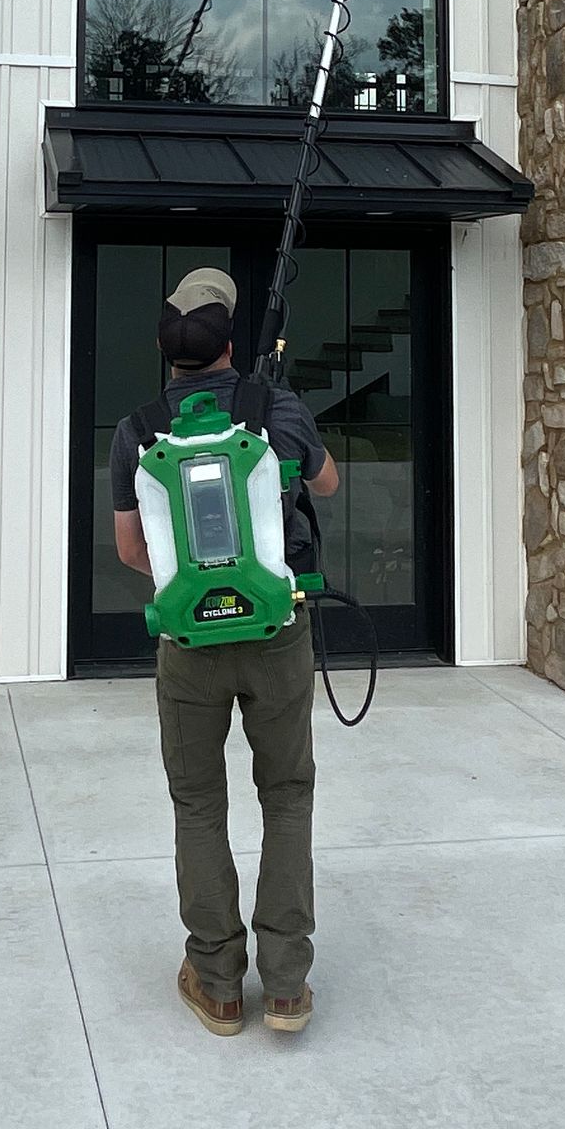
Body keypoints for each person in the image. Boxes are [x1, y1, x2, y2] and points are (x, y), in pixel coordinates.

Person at [108, 267, 339, 1040]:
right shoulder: (275, 410)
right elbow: (329, 484)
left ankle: (216, 981)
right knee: (288, 795)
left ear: (168, 352)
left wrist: (197, 583)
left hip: (190, 647)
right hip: (276, 634)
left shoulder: (138, 431)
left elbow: (133, 550)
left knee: (199, 804)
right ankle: (286, 986)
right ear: (232, 343)